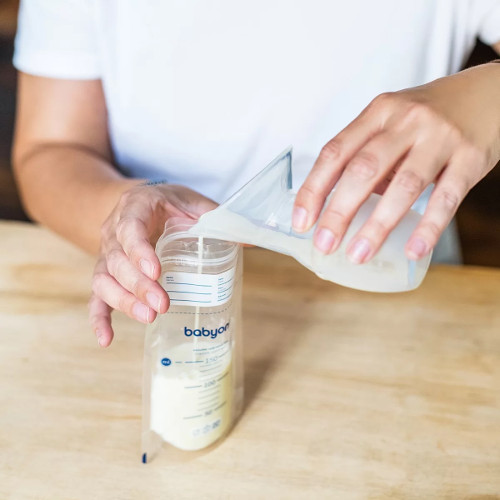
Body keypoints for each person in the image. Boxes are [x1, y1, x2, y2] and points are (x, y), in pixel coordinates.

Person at [12, 1, 500, 347]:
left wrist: (489, 96)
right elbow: (51, 149)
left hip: (397, 280)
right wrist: (124, 213)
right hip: (169, 299)